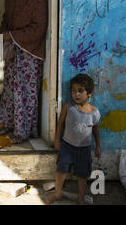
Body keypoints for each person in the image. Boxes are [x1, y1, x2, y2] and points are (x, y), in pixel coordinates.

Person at [0, 0, 48, 143]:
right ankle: (9, 125)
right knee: (10, 89)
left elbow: (38, 28)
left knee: (24, 92)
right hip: (13, 49)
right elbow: (6, 15)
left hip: (29, 52)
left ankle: (22, 132)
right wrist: (3, 32)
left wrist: (11, 35)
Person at [45, 73, 101, 205]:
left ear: (89, 93)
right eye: (73, 91)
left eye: (80, 91)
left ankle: (80, 197)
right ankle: (57, 193)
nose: (76, 94)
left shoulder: (94, 112)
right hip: (67, 146)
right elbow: (60, 124)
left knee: (82, 174)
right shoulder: (68, 107)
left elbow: (95, 130)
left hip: (84, 149)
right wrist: (57, 140)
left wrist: (98, 145)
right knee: (61, 169)